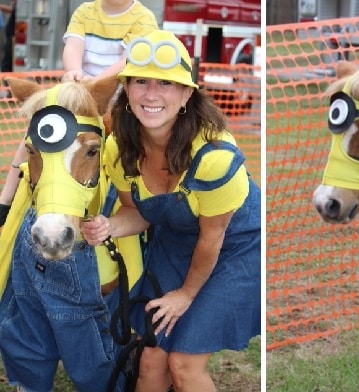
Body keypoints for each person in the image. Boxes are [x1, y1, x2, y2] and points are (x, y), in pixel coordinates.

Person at [80, 29, 261, 391]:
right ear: (126, 90)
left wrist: (185, 295)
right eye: (141, 81)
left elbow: (213, 238)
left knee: (183, 365)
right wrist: (108, 226)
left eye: (165, 83)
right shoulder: (117, 149)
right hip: (177, 243)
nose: (151, 94)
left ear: (186, 95)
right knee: (150, 361)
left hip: (235, 248)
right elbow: (142, 213)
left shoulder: (215, 157)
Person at [0, 0, 157, 226]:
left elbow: (128, 60)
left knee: (140, 143)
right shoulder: (85, 11)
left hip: (119, 97)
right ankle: (7, 197)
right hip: (80, 93)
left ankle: (142, 202)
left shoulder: (143, 18)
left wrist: (98, 82)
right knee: (39, 129)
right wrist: (74, 72)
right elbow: (73, 46)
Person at [0, 0, 15, 72]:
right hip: (9, 36)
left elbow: (11, 9)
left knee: (7, 59)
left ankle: (5, 78)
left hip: (12, 37)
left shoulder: (19, 7)